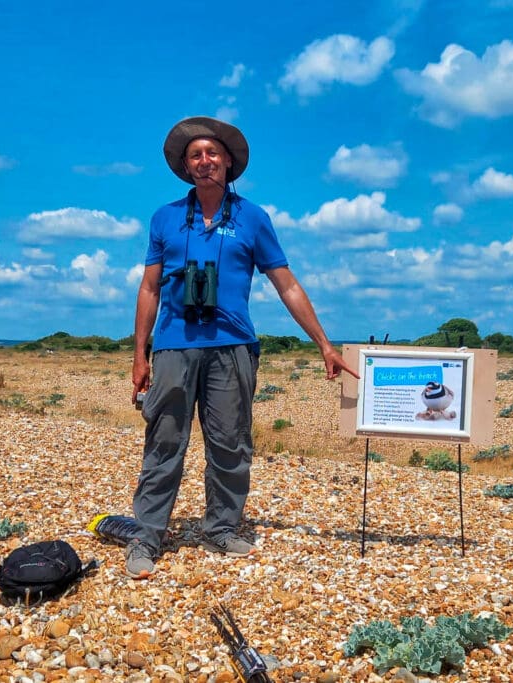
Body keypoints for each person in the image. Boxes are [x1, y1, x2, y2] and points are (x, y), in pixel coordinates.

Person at [125, 116, 358, 579]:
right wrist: (140, 354)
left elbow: (285, 284)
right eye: (196, 155)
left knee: (230, 444)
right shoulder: (166, 217)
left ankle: (222, 528)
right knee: (164, 442)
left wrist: (324, 344)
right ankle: (147, 536)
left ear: (228, 162)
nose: (204, 161)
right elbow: (149, 288)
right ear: (186, 166)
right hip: (174, 347)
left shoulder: (253, 217)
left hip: (233, 348)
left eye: (212, 153)